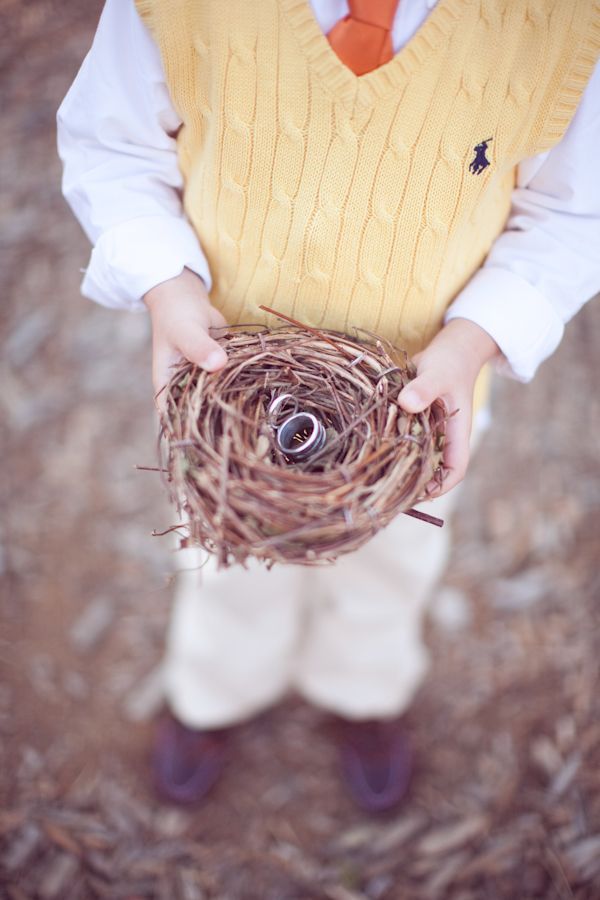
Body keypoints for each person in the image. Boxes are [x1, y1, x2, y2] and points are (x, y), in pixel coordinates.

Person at [57, 0, 600, 812]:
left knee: (393, 567)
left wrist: (475, 341)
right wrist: (164, 282)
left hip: (426, 409)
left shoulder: (560, 27)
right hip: (226, 407)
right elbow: (114, 143)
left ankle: (363, 693)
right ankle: (215, 695)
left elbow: (572, 214)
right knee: (227, 565)